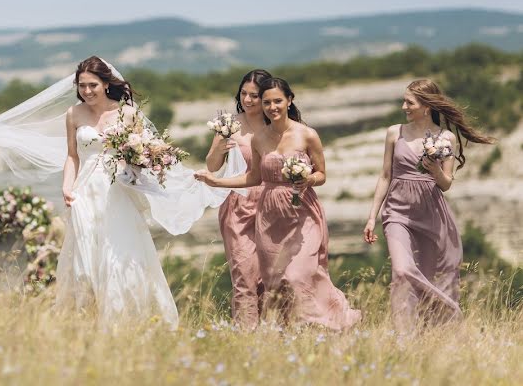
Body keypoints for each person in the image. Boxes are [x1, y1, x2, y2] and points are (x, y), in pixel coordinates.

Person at [0, 56, 231, 327]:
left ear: (106, 83)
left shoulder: (127, 114)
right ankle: (88, 318)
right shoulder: (73, 114)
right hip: (85, 190)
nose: (86, 91)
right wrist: (67, 186)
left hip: (117, 190)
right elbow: (72, 156)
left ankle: (124, 320)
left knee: (119, 252)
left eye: (92, 85)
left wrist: (138, 159)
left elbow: (145, 155)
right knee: (85, 257)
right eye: (82, 86)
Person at [195, 77, 360, 330]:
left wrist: (307, 178)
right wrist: (217, 180)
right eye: (245, 94)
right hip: (257, 210)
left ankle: (322, 323)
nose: (251, 101)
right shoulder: (248, 133)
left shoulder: (303, 133)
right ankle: (260, 334)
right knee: (257, 279)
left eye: (272, 100)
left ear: (287, 100)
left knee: (294, 275)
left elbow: (321, 174)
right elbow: (247, 175)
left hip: (296, 209)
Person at [363, 78, 495, 331]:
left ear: (426, 106)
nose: (404, 106)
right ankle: (409, 331)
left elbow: (446, 184)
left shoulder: (445, 138)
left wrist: (434, 169)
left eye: (409, 102)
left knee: (431, 272)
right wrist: (372, 217)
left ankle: (430, 329)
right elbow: (385, 176)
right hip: (397, 213)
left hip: (432, 213)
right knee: (402, 271)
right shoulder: (394, 132)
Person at [205, 69, 271, 328]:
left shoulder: (275, 123)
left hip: (272, 202)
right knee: (244, 274)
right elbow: (211, 165)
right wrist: (219, 148)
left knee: (271, 276)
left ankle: (273, 331)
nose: (247, 99)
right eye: (243, 94)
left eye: (254, 95)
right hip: (238, 203)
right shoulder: (229, 125)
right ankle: (246, 336)